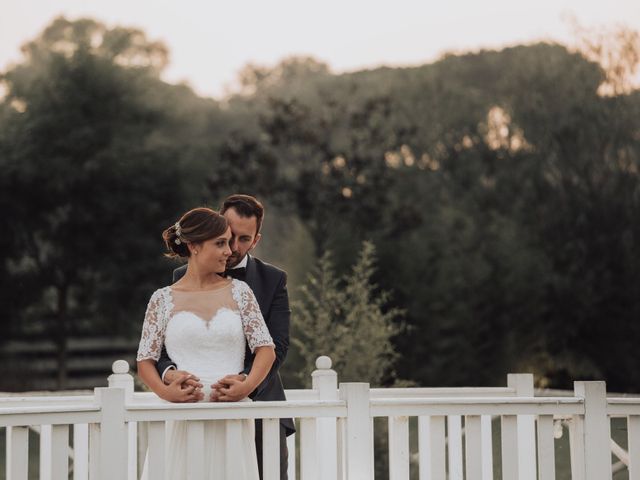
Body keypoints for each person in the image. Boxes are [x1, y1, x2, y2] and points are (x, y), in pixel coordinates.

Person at [157, 194, 294, 479]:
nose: (232, 247)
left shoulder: (273, 279)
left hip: (261, 409)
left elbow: (277, 346)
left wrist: (245, 383)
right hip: (195, 411)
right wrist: (170, 374)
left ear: (256, 240)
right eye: (228, 235)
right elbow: (168, 344)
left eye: (244, 239)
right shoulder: (181, 277)